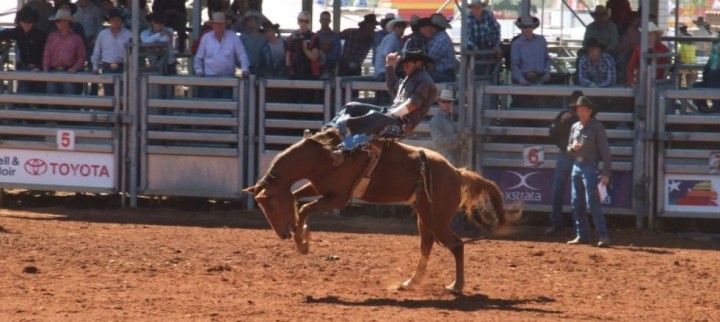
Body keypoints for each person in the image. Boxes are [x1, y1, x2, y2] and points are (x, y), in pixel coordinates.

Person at [330, 49, 437, 159]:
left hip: (402, 125)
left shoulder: (425, 81)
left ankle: (348, 146)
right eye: (403, 64)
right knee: (352, 106)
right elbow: (393, 88)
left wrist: (391, 114)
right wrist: (389, 67)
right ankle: (330, 130)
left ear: (418, 63)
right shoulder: (409, 78)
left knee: (376, 117)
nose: (404, 67)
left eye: (407, 64)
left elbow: (412, 105)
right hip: (392, 116)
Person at [566, 96, 612, 248]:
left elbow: (605, 151)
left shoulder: (597, 127)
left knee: (592, 201)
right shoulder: (575, 127)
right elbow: (568, 148)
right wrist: (573, 148)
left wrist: (606, 172)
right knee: (576, 202)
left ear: (590, 111)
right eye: (579, 110)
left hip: (590, 165)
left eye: (583, 110)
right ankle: (582, 235)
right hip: (577, 165)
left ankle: (602, 235)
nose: (580, 113)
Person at [545, 90, 583, 235]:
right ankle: (562, 223)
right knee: (560, 189)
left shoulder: (583, 116)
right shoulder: (563, 116)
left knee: (575, 191)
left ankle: (576, 225)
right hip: (568, 154)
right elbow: (553, 133)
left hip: (576, 155)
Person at [193, 11, 250, 99]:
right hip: (209, 79)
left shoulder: (233, 37)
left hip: (228, 79)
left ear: (225, 25)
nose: (219, 26)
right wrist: (199, 71)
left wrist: (245, 69)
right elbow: (198, 57)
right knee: (210, 106)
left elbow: (241, 53)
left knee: (227, 107)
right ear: (212, 25)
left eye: (221, 24)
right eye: (216, 24)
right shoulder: (206, 37)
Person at [0, 7, 47, 94]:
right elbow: (3, 34)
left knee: (38, 92)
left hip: (38, 68)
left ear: (34, 22)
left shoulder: (41, 35)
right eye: (24, 22)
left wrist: (38, 66)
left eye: (30, 22)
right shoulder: (17, 32)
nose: (27, 24)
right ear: (20, 22)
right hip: (23, 67)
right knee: (23, 90)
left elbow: (46, 54)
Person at [43, 9, 87, 95]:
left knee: (69, 96)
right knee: (51, 98)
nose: (57, 23)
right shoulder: (51, 37)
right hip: (53, 71)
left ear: (66, 22)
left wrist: (74, 68)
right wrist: (46, 69)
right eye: (57, 21)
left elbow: (82, 57)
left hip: (69, 72)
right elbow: (47, 55)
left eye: (59, 21)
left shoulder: (77, 39)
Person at [91, 8, 131, 96]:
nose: (115, 22)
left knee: (123, 94)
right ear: (109, 21)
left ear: (121, 21)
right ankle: (109, 109)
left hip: (123, 67)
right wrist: (95, 67)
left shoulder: (128, 34)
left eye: (117, 20)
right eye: (113, 20)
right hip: (107, 67)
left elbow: (132, 53)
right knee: (108, 94)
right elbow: (97, 52)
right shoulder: (103, 34)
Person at [430, 89, 467, 166]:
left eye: (448, 101)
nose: (446, 104)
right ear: (439, 103)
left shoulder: (450, 120)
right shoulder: (435, 121)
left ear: (451, 104)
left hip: (452, 158)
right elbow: (439, 142)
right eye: (444, 101)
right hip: (443, 158)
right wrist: (458, 137)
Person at [626, 22, 669, 87]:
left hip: (659, 84)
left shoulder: (663, 49)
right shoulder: (639, 49)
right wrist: (632, 83)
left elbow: (666, 67)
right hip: (642, 83)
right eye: (646, 35)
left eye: (650, 34)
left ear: (656, 35)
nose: (648, 37)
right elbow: (631, 67)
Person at [466, 0, 502, 78]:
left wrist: (496, 45)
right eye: (474, 7)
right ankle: (476, 79)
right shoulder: (468, 18)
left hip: (488, 45)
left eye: (478, 7)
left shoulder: (488, 15)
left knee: (497, 55)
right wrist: (473, 46)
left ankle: (494, 78)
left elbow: (496, 30)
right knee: (474, 57)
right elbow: (467, 36)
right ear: (471, 8)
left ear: (482, 7)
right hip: (474, 47)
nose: (476, 9)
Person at [421, 14, 457, 82]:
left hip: (445, 74)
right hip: (442, 72)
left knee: (420, 76)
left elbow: (429, 58)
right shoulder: (438, 38)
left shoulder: (441, 40)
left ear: (435, 27)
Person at [285, 11, 317, 80]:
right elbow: (288, 54)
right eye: (301, 21)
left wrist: (305, 49)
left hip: (309, 72)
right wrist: (289, 68)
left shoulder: (314, 37)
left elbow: (314, 58)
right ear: (298, 22)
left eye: (306, 21)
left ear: (309, 22)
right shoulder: (292, 36)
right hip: (295, 72)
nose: (303, 23)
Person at [373, 15, 407, 80]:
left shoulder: (395, 38)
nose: (401, 29)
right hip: (383, 73)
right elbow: (386, 54)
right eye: (399, 27)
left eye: (403, 27)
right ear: (394, 28)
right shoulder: (392, 39)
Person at [312, 11, 342, 79]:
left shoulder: (335, 37)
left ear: (330, 21)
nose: (325, 21)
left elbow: (337, 55)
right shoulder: (315, 36)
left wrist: (324, 56)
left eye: (326, 19)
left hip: (328, 70)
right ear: (320, 20)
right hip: (314, 70)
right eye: (323, 19)